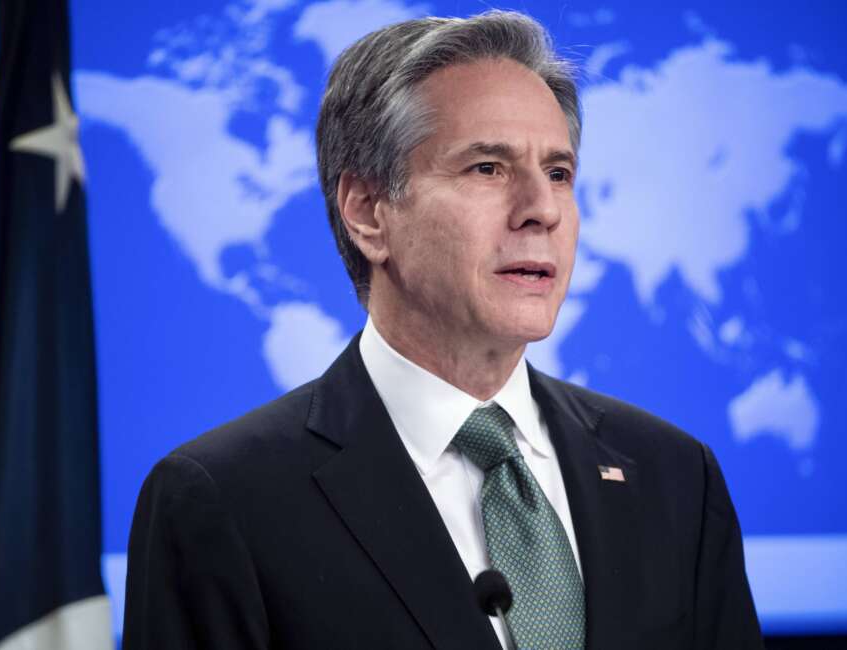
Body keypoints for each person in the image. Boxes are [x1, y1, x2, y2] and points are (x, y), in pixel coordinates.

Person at [123, 10, 764, 650]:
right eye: (488, 168)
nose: (541, 209)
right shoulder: (223, 501)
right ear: (368, 213)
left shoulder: (674, 475)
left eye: (559, 173)